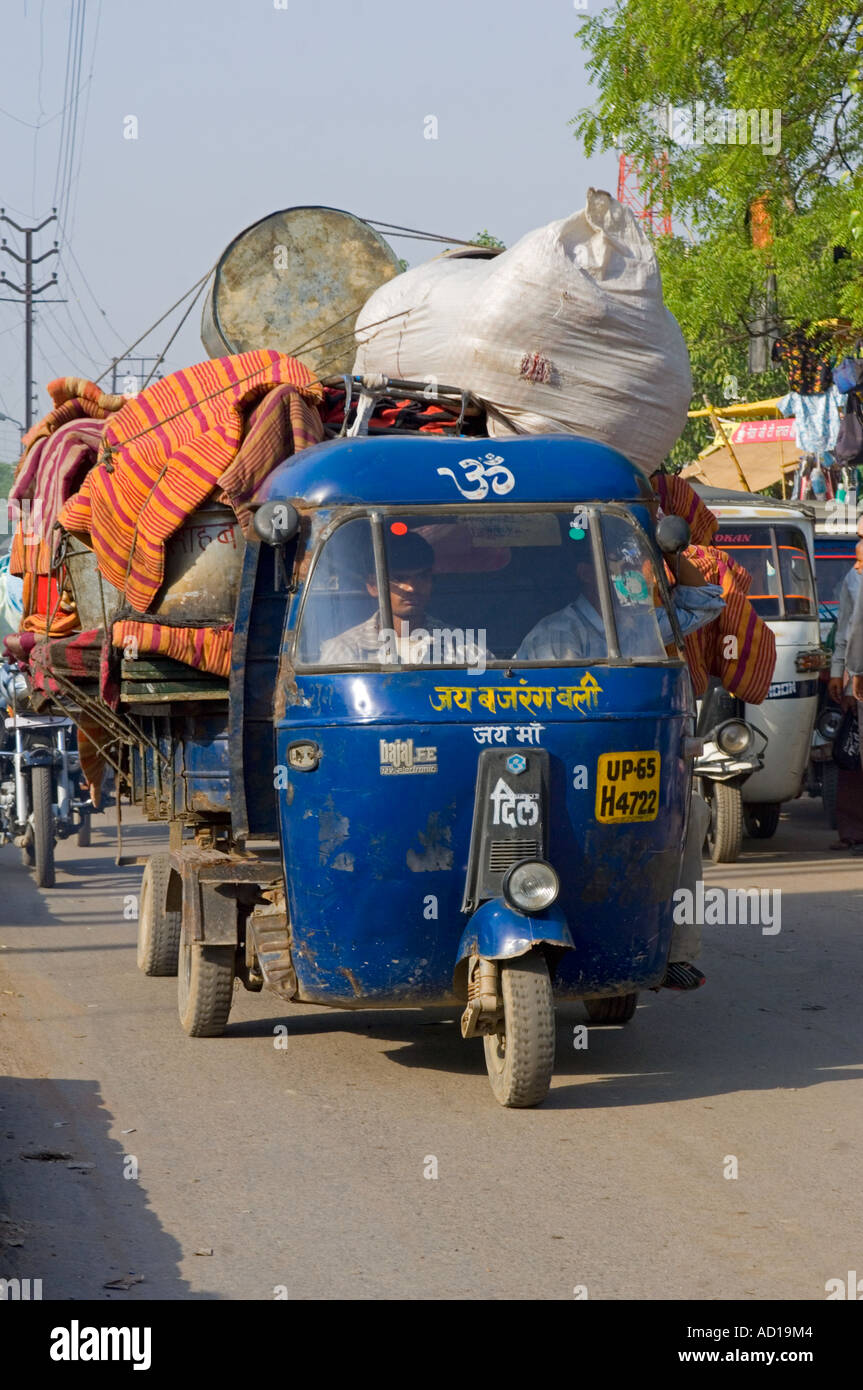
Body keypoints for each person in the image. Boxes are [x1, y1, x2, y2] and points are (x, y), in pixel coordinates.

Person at [319, 530, 487, 667]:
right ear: (373, 586)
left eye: (421, 577)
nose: (411, 588)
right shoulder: (345, 650)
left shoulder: (464, 647)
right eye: (399, 579)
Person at [833, 541, 863, 850]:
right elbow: (846, 631)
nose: (855, 565)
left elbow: (855, 633)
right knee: (852, 760)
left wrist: (852, 672)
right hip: (857, 676)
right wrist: (837, 671)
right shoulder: (854, 579)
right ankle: (852, 830)